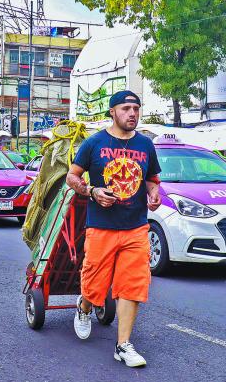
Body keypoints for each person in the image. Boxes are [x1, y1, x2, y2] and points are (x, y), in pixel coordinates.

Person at [66, 90, 162, 367]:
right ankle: (84, 307)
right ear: (112, 112)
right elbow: (73, 176)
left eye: (136, 108)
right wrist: (92, 190)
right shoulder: (95, 143)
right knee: (94, 287)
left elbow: (152, 179)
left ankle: (123, 345)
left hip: (135, 226)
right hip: (101, 226)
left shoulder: (146, 145)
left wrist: (154, 193)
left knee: (132, 286)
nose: (132, 113)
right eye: (126, 108)